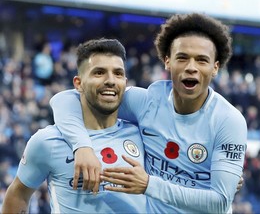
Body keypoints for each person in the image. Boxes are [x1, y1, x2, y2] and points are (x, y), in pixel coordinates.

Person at [49, 13, 247, 213]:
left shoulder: (228, 121)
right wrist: (82, 147)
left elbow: (220, 202)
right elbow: (65, 99)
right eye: (182, 58)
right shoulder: (147, 102)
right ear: (167, 61)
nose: (191, 68)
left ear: (215, 67)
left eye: (202, 60)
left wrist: (149, 185)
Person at [2, 38, 147, 213]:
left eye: (118, 73)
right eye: (99, 73)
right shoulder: (47, 141)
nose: (111, 80)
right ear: (78, 83)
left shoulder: (142, 134)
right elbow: (18, 194)